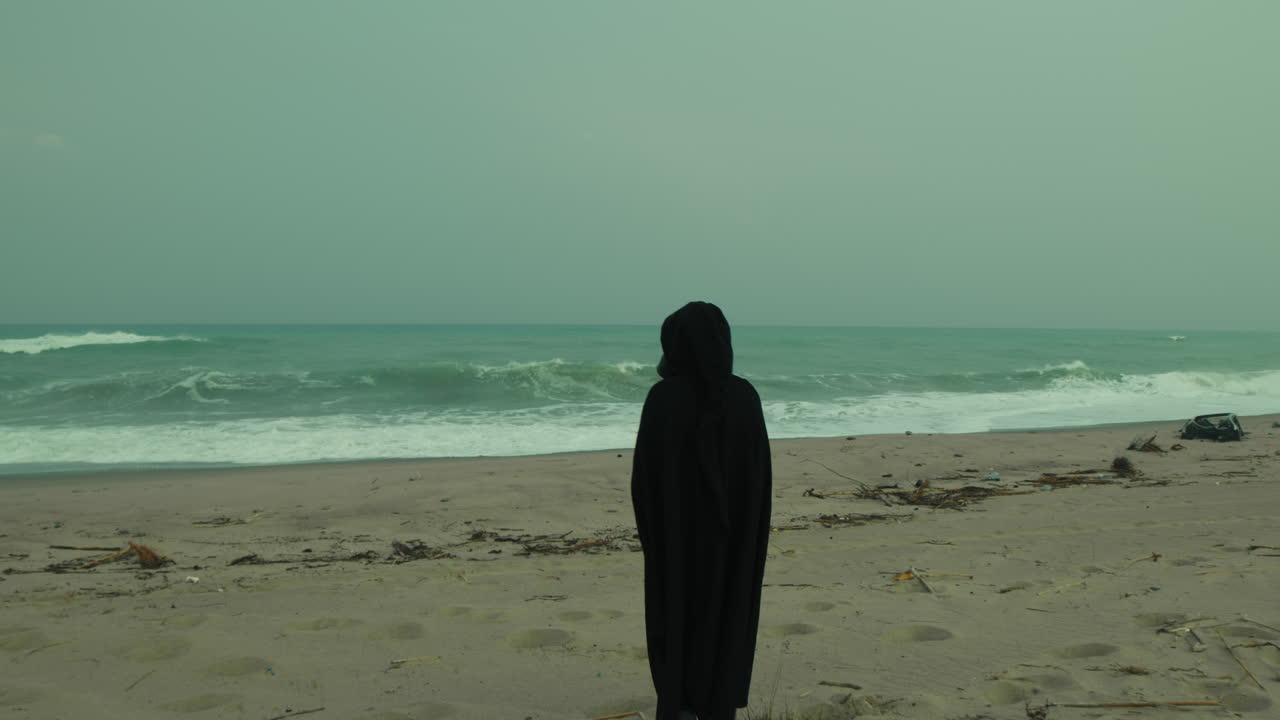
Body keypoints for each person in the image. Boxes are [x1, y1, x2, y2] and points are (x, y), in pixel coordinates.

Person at [631, 301, 773, 720]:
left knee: (675, 617)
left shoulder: (663, 400)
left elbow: (644, 484)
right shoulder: (745, 397)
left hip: (677, 542)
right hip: (736, 543)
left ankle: (679, 706)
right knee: (728, 615)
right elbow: (760, 480)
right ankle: (719, 705)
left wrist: (655, 539)